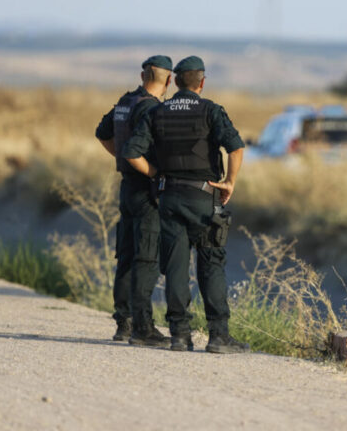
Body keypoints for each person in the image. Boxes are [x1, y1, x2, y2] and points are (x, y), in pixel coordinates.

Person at [123, 56, 250, 354]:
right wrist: (229, 182)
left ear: (175, 82)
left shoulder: (157, 111)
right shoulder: (211, 111)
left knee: (176, 267)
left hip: (169, 198)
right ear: (202, 83)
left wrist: (156, 174)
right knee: (211, 265)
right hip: (204, 198)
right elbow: (236, 147)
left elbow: (131, 153)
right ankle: (218, 336)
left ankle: (180, 335)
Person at [95, 55, 172, 347]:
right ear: (169, 80)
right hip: (145, 190)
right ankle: (143, 327)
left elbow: (102, 134)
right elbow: (132, 151)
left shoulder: (125, 102)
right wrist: (151, 170)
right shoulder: (152, 109)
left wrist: (124, 157)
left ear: (143, 76)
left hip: (126, 187)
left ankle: (123, 323)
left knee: (126, 256)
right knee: (146, 258)